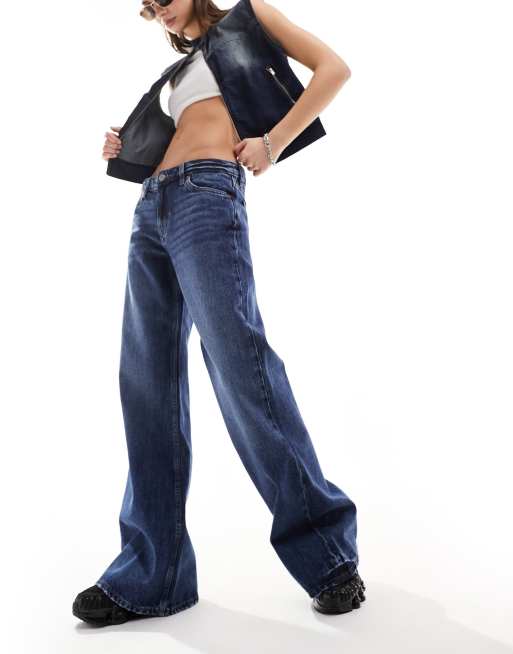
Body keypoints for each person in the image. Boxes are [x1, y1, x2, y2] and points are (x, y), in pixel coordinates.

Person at [72, 0, 365, 626]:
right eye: (149, 8)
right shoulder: (174, 75)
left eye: (164, 0)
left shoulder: (249, 19)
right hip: (152, 207)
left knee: (240, 366)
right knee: (146, 384)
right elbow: (176, 130)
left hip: (207, 194)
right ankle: (154, 577)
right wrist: (125, 145)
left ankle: (328, 557)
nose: (159, 12)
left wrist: (273, 143)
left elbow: (333, 69)